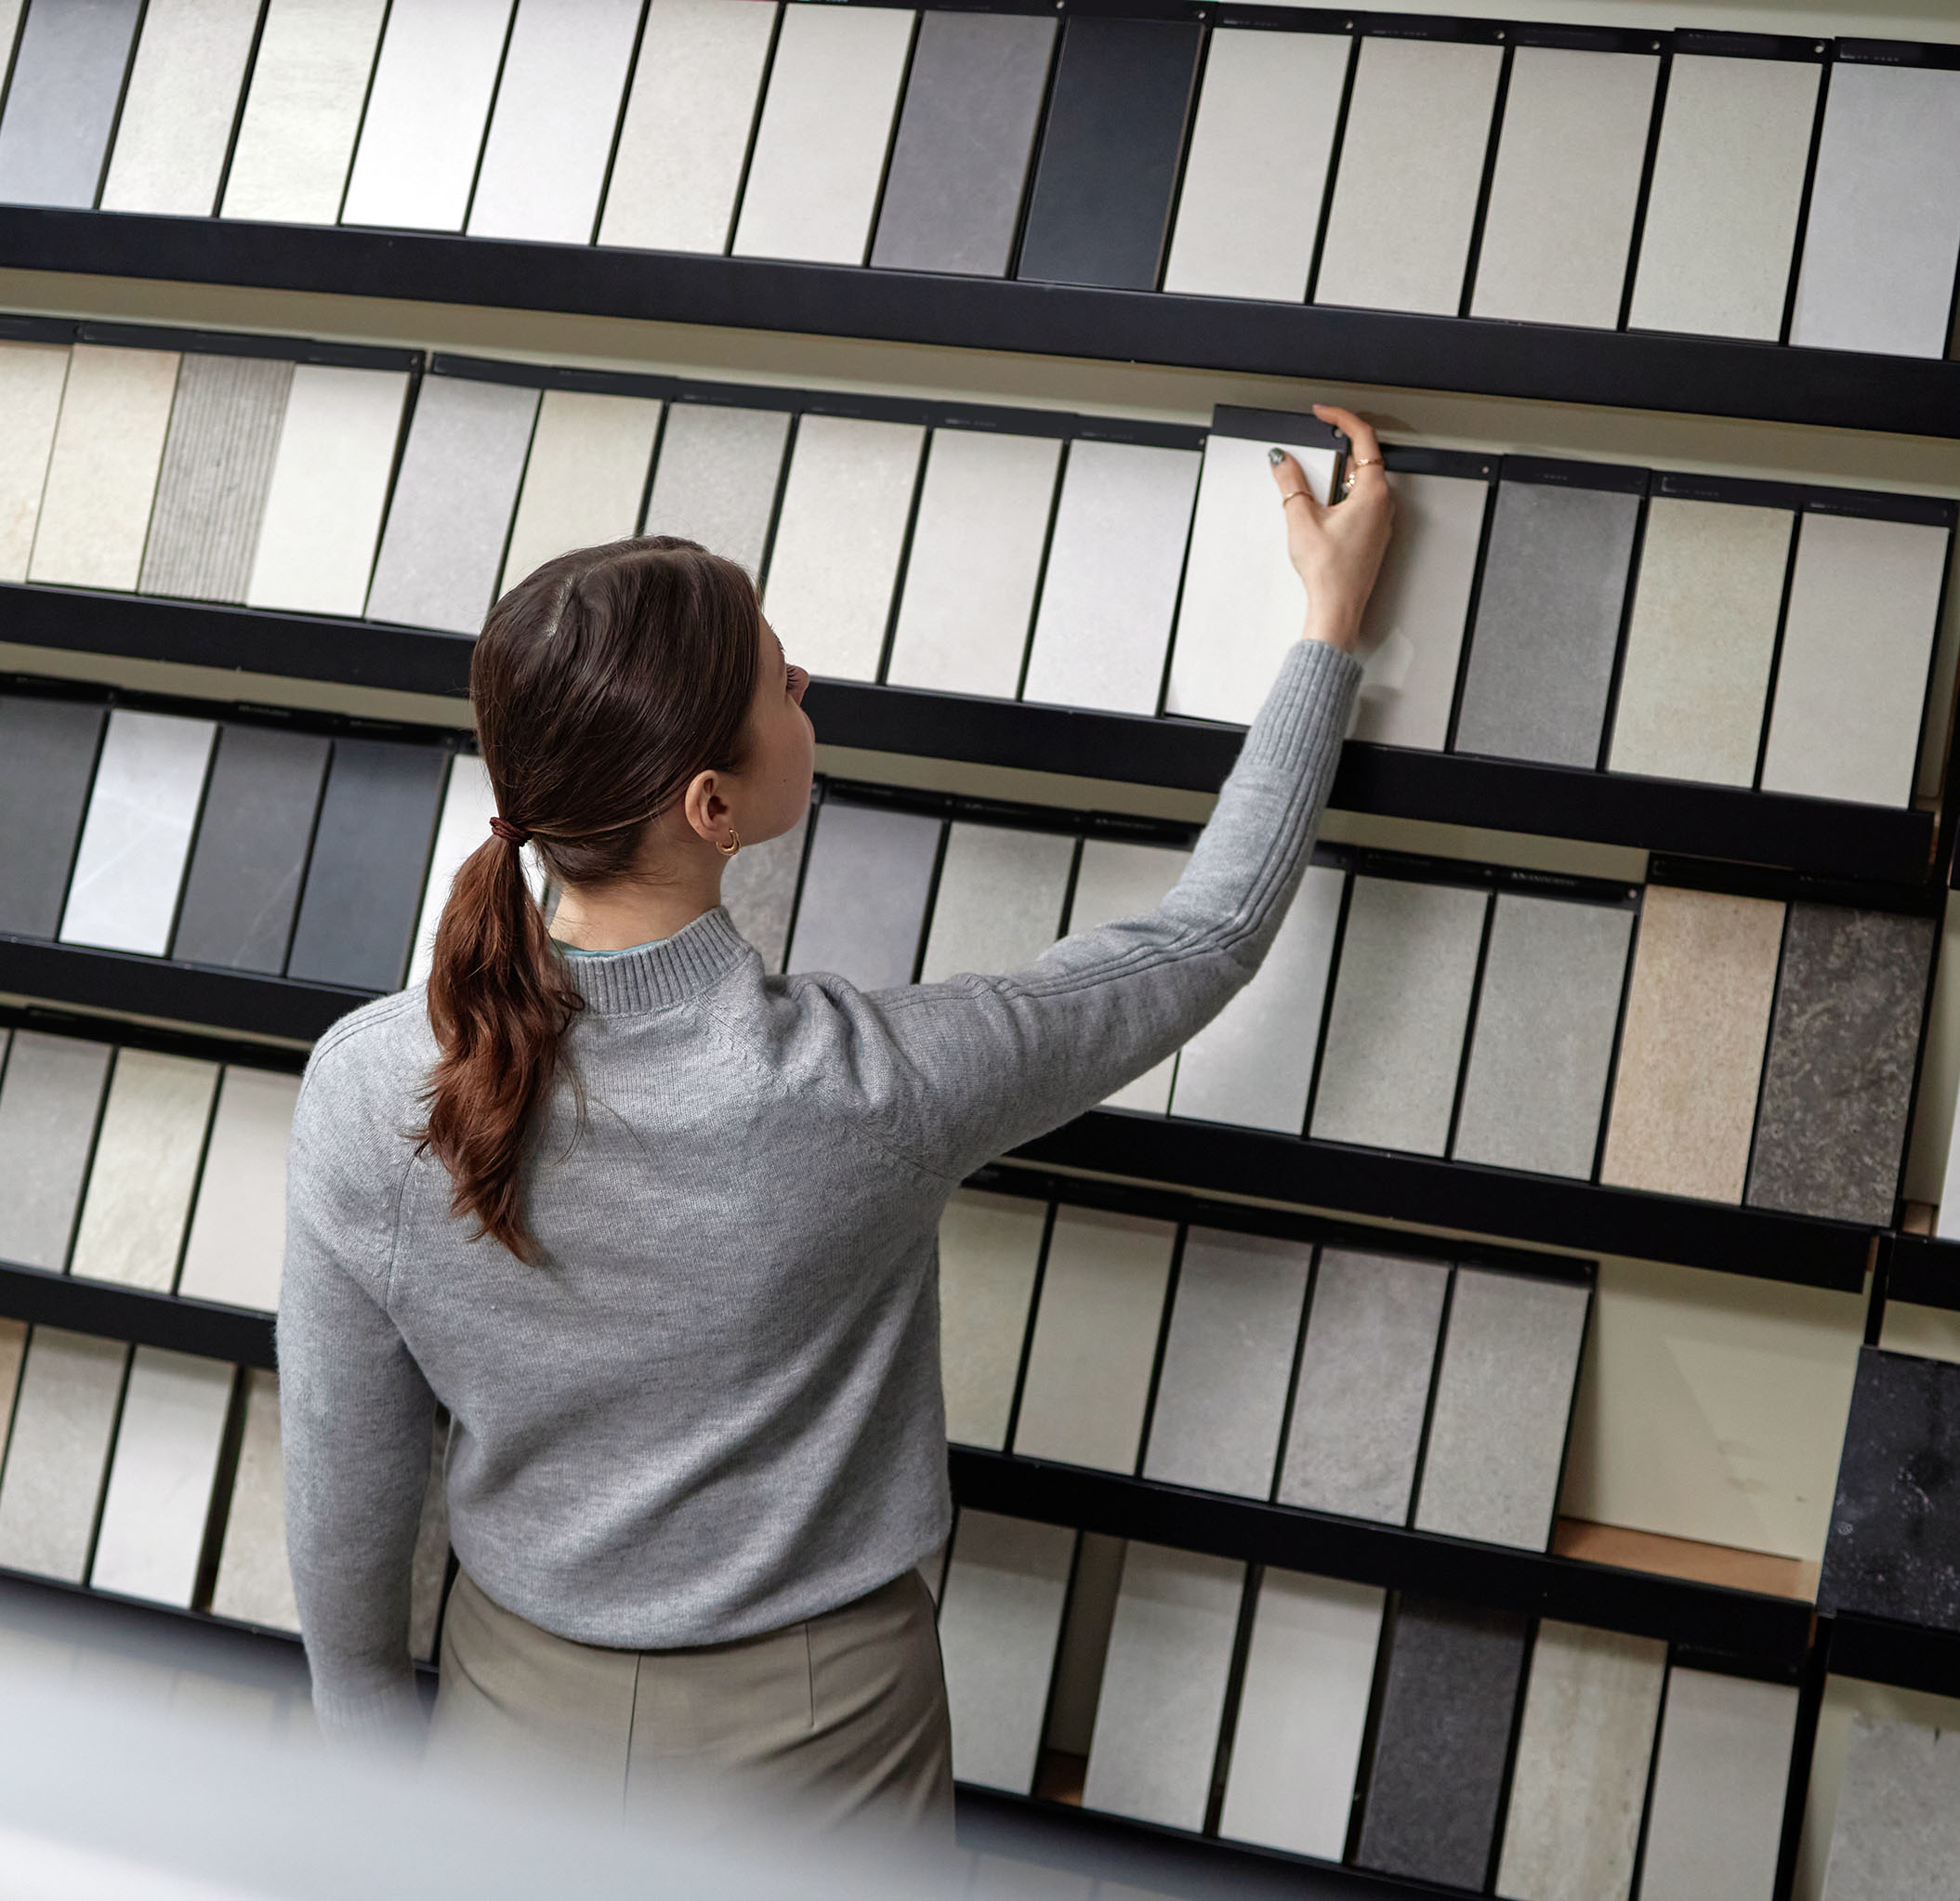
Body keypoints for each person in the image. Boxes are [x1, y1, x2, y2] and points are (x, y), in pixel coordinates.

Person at [278, 403, 1391, 1835]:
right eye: (772, 680)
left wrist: (381, 1790)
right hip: (825, 1744)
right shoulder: (874, 1086)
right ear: (710, 804)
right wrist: (1332, 621)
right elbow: (1207, 938)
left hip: (508, 1718)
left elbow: (347, 1508)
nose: (803, 677)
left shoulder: (368, 1088)